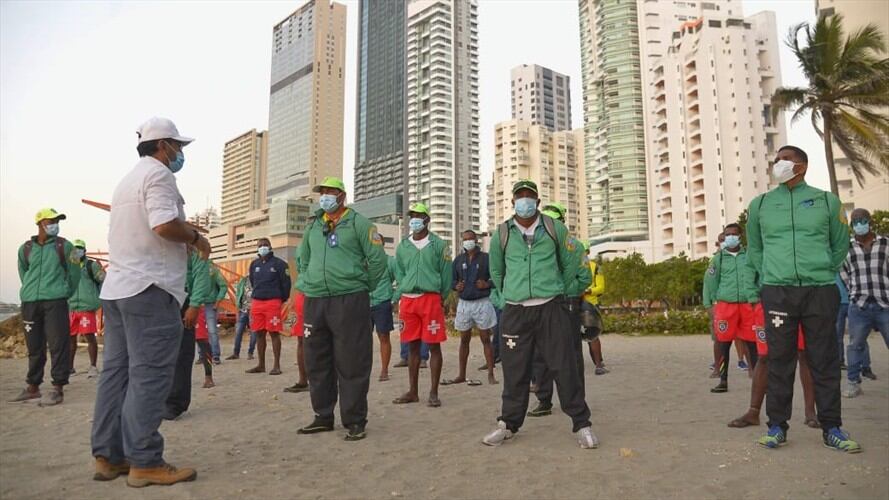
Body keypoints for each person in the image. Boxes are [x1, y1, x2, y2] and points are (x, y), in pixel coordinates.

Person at [92, 117, 206, 486]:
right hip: (150, 289)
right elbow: (162, 225)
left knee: (116, 375)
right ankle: (144, 461)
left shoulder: (126, 181)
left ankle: (109, 456)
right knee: (151, 375)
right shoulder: (158, 175)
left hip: (118, 289)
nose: (180, 154)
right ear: (163, 146)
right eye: (178, 147)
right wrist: (194, 237)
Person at [746, 145, 859, 452]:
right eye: (776, 160)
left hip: (820, 289)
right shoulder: (761, 204)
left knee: (823, 359)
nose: (778, 164)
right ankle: (776, 426)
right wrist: (768, 271)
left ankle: (832, 427)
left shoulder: (827, 201)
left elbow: (840, 244)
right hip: (778, 290)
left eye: (785, 159)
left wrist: (821, 268)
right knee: (779, 360)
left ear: (802, 166)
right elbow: (754, 247)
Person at [482, 179, 597, 449]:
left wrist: (563, 290)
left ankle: (582, 424)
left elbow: (572, 263)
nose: (524, 201)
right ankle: (508, 424)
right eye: (519, 196)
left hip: (550, 308)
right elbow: (496, 271)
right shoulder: (501, 234)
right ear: (512, 202)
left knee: (564, 366)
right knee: (514, 370)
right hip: (515, 310)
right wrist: (503, 297)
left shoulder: (554, 228)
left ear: (538, 201)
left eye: (529, 196)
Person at [296, 177, 387, 441]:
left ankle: (355, 419)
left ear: (342, 196)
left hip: (350, 298)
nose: (324, 197)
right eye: (321, 192)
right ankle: (323, 416)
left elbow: (378, 260)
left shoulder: (360, 224)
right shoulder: (314, 226)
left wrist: (361, 285)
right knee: (317, 360)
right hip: (315, 299)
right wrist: (306, 281)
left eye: (330, 192)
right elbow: (302, 258)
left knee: (352, 361)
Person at [527, 203, 592, 418]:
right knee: (554, 355)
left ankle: (560, 400)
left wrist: (561, 291)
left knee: (558, 354)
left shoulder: (569, 246)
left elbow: (585, 278)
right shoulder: (551, 245)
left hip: (556, 303)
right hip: (554, 304)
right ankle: (556, 399)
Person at [10, 208, 80, 405]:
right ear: (40, 223)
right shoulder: (25, 248)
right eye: (52, 221)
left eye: (57, 221)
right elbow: (23, 271)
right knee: (34, 346)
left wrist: (66, 291)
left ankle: (58, 388)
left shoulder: (67, 246)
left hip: (56, 301)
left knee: (58, 344)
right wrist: (30, 290)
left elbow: (76, 270)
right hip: (30, 302)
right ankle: (33, 388)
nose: (55, 225)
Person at [392, 203, 452, 407]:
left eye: (419, 216)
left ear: (427, 220)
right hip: (408, 300)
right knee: (412, 347)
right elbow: (399, 270)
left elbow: (446, 273)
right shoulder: (403, 246)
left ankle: (433, 392)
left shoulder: (439, 245)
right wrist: (403, 287)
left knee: (434, 346)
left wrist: (441, 296)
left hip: (430, 299)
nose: (414, 220)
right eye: (412, 216)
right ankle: (413, 391)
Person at [702, 223, 760, 393]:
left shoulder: (749, 256)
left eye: (734, 234)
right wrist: (712, 303)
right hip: (726, 305)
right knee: (722, 344)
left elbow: (758, 276)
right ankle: (723, 379)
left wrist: (756, 298)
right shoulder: (718, 259)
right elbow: (711, 282)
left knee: (752, 343)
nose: (731, 237)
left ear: (740, 236)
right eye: (728, 234)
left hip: (747, 305)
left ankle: (757, 378)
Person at [728, 325, 820, 429]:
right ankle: (753, 411)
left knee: (805, 353)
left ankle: (810, 412)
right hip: (769, 311)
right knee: (764, 355)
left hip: (801, 310)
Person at [841, 208, 888, 398]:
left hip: (884, 303)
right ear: (852, 225)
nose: (860, 224)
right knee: (855, 346)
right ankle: (853, 382)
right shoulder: (847, 248)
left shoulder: (885, 244)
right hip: (859, 306)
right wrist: (852, 290)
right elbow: (843, 272)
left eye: (863, 220)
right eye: (856, 221)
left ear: (870, 222)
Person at [443, 229, 498, 386]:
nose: (468, 241)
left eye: (470, 239)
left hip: (482, 301)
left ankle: (491, 373)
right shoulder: (459, 260)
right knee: (464, 340)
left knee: (485, 338)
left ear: (476, 240)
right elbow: (452, 280)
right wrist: (456, 286)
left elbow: (497, 275)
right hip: (464, 303)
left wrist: (487, 283)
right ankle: (461, 374)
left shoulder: (486, 258)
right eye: (465, 239)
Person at [165, 247, 212, 420]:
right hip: (160, 300)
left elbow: (201, 276)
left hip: (185, 302)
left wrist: (194, 305)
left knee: (182, 354)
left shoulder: (192, 246)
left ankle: (175, 403)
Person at [246, 238, 290, 376]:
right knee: (259, 333)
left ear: (270, 247)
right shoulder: (254, 264)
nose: (263, 247)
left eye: (265, 245)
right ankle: (261, 364)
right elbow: (253, 281)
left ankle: (276, 365)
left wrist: (281, 299)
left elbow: (286, 284)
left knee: (274, 333)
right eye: (260, 246)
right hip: (257, 302)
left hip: (273, 302)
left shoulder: (280, 264)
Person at [68, 239, 104, 379]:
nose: (77, 251)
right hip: (71, 307)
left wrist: (99, 299)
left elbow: (103, 279)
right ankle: (70, 368)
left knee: (89, 337)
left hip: (87, 307)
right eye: (75, 248)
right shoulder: (69, 267)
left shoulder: (91, 265)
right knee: (70, 339)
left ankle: (93, 367)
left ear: (85, 250)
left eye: (80, 248)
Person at [369, 255, 397, 382]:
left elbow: (401, 279)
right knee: (362, 339)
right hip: (364, 303)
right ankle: (364, 369)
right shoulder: (361, 260)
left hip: (383, 302)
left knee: (384, 336)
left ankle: (384, 370)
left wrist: (394, 299)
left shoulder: (390, 261)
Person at [582, 243, 608, 375]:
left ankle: (599, 364)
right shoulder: (569, 266)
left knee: (592, 336)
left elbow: (601, 288)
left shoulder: (595, 267)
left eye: (584, 251)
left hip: (590, 306)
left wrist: (588, 291)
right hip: (572, 304)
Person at [227, 275, 257, 360]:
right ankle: (236, 353)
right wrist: (238, 306)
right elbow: (239, 292)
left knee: (253, 333)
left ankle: (250, 353)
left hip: (254, 310)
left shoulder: (259, 278)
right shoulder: (244, 280)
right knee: (238, 332)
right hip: (243, 309)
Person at [203, 265, 228, 364]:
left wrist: (218, 301)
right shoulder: (194, 267)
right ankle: (202, 355)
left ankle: (215, 355)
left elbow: (223, 285)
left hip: (210, 304)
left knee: (212, 331)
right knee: (199, 331)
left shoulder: (213, 270)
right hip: (197, 304)